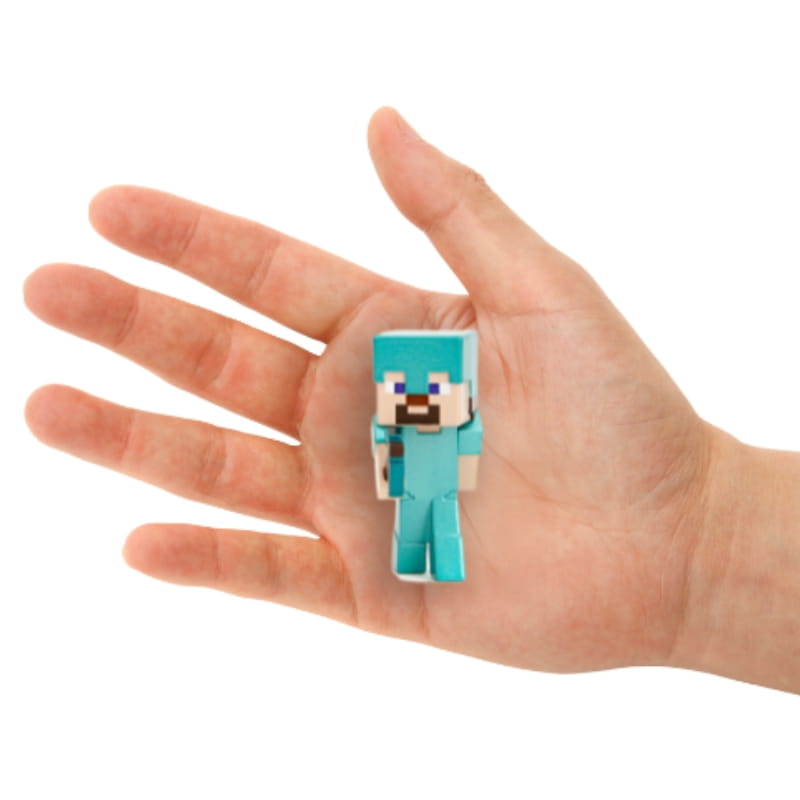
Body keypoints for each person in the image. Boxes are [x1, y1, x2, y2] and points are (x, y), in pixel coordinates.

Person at [24, 107, 800, 694]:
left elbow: (448, 446)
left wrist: (693, 537)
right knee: (424, 528)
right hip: (424, 488)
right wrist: (695, 543)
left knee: (431, 527)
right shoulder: (416, 406)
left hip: (433, 487)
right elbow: (419, 453)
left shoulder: (434, 410)